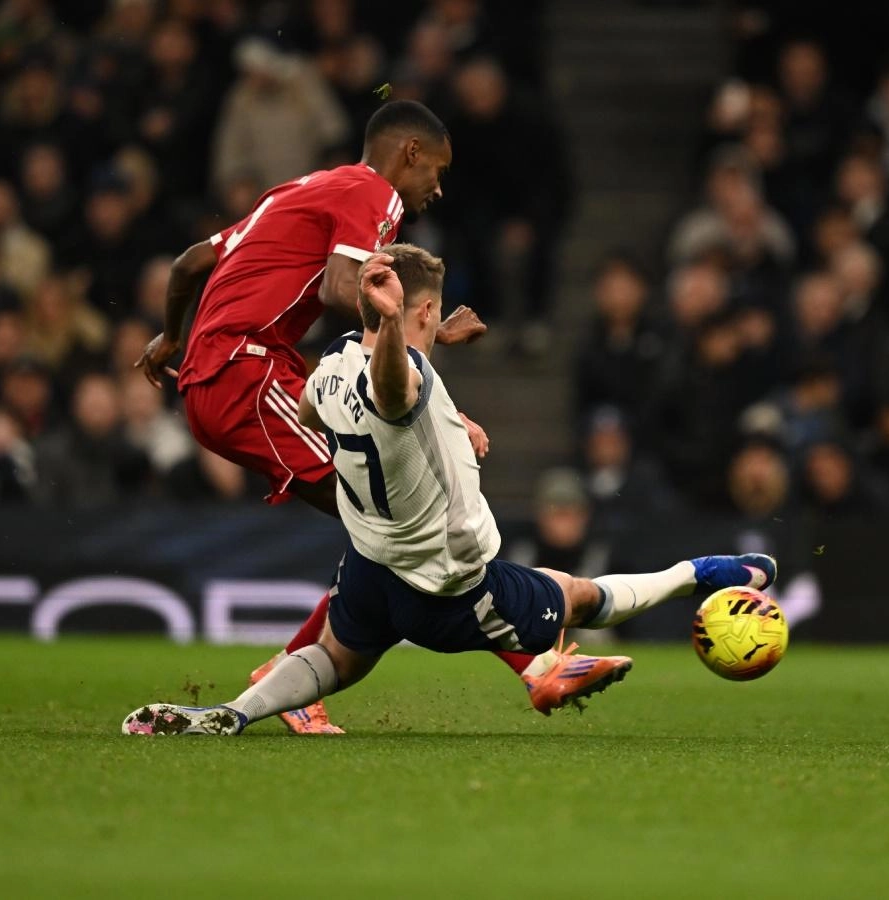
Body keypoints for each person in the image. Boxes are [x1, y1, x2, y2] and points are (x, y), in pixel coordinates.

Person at [122, 245, 778, 737]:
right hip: (447, 581)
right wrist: (408, 355)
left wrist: (417, 357)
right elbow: (394, 388)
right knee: (578, 595)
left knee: (334, 660)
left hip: (372, 566)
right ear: (427, 309)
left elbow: (328, 405)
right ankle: (691, 577)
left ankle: (233, 715)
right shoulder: (397, 376)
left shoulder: (334, 365)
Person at [134, 100, 609, 733]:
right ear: (409, 152)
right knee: (391, 510)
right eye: (435, 171)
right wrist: (420, 325)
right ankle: (531, 664)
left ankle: (304, 671)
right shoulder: (373, 193)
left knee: (380, 513)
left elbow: (191, 261)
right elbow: (339, 289)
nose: (435, 189)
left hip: (230, 370)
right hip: (248, 372)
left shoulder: (299, 191)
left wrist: (170, 337)